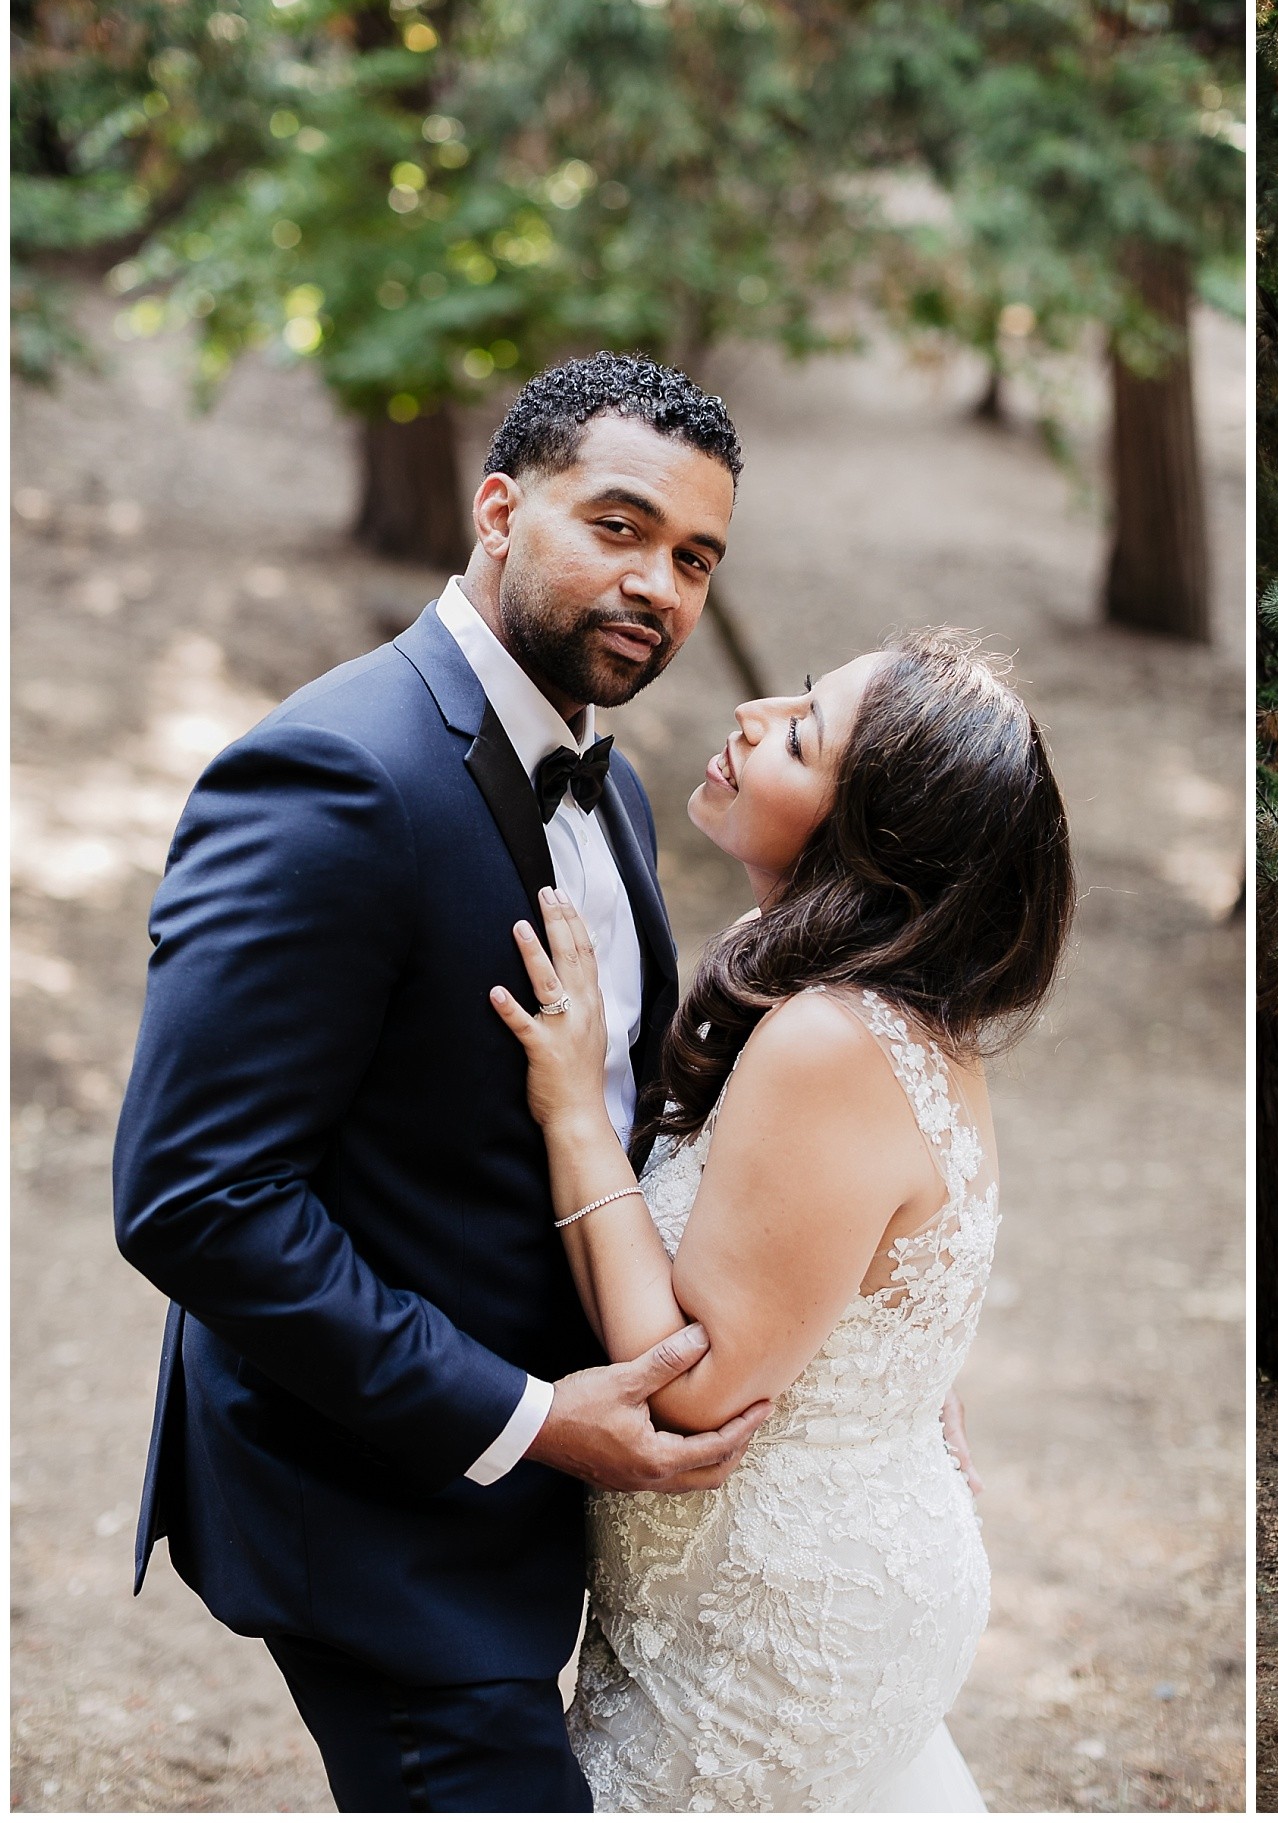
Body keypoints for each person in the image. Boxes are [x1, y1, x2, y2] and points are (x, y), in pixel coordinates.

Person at [117, 353, 939, 1811]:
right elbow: (198, 1199)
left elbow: (634, 1133)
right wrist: (529, 1418)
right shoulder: (331, 775)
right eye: (617, 528)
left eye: (696, 556)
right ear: (500, 507)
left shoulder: (612, 787)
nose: (661, 587)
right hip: (381, 1507)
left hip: (553, 1522)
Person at [491, 630, 1073, 1809]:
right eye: (799, 693)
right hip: (804, 1577)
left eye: (802, 733)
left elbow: (698, 1388)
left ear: (868, 846)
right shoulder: (890, 1018)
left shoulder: (831, 1037)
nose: (754, 711)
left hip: (765, 1640)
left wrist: (572, 1110)